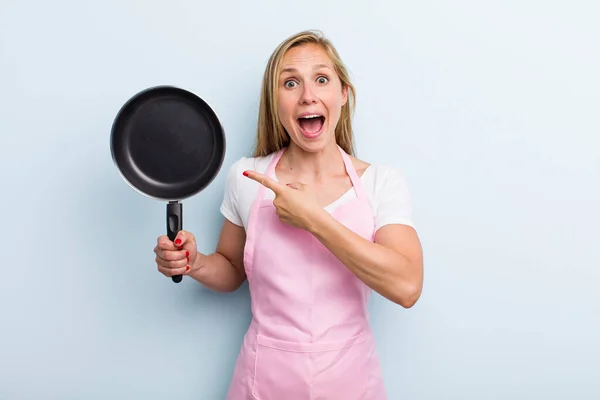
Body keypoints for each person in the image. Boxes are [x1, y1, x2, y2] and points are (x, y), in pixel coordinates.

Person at [153, 30, 423, 400]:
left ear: (343, 95)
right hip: (263, 381)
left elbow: (407, 287)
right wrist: (195, 262)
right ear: (274, 101)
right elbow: (232, 269)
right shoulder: (247, 177)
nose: (308, 95)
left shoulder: (381, 182)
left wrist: (314, 219)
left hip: (351, 379)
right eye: (290, 82)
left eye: (322, 80)